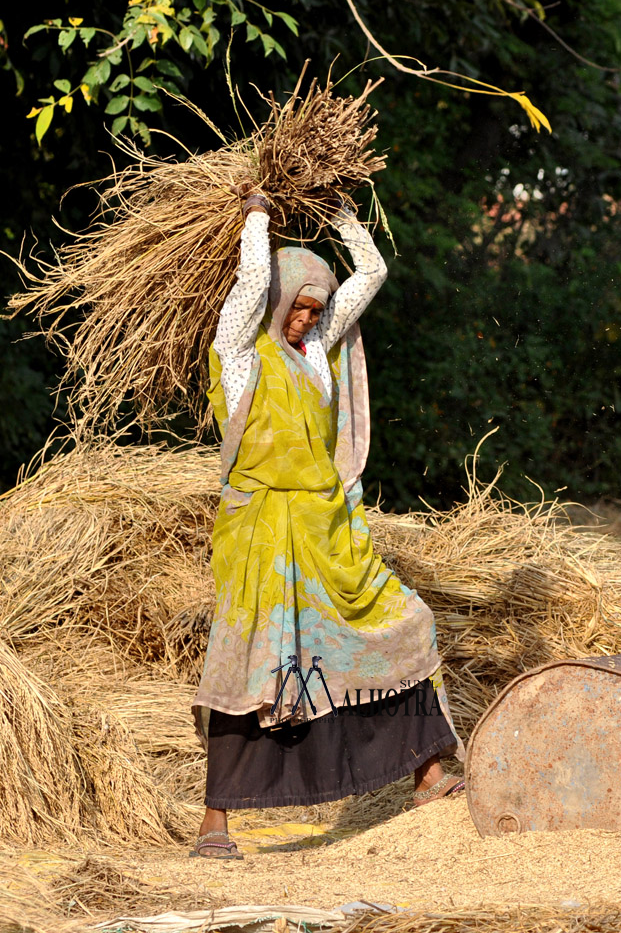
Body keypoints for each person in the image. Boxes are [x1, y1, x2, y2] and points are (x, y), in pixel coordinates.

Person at [190, 191, 466, 859]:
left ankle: (426, 774)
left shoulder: (317, 352)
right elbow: (254, 283)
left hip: (325, 531)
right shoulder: (242, 354)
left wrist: (345, 217)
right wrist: (256, 215)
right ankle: (214, 823)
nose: (306, 319)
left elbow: (369, 276)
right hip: (260, 536)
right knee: (252, 664)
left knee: (398, 627)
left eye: (316, 309)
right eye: (298, 307)